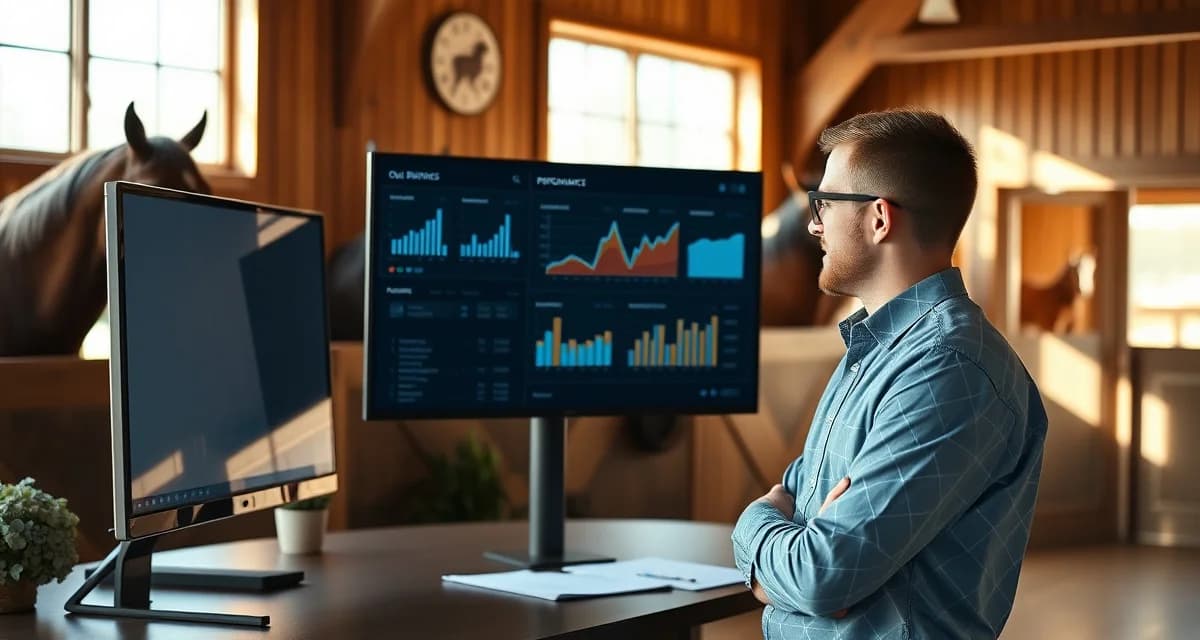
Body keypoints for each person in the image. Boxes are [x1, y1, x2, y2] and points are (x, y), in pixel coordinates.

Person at [732, 109, 1048, 639]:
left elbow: (821, 576)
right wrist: (795, 547)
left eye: (825, 203)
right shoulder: (876, 348)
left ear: (879, 218)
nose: (813, 223)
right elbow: (801, 494)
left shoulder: (949, 369)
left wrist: (751, 528)